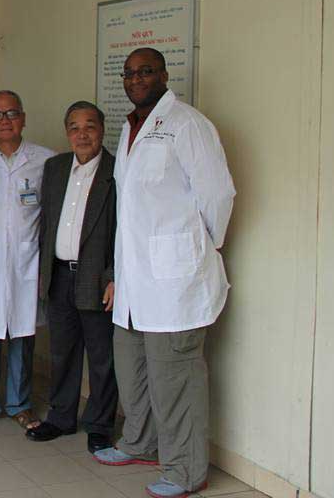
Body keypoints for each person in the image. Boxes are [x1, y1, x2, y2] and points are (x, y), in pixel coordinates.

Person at [94, 48, 235, 498]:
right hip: (135, 280)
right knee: (133, 370)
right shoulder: (131, 127)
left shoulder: (189, 124)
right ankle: (140, 443)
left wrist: (196, 248)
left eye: (146, 71)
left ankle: (186, 471)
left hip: (175, 283)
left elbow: (218, 196)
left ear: (164, 74)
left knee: (176, 381)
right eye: (129, 73)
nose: (136, 79)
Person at [27, 101, 119, 454]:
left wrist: (113, 276)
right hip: (59, 275)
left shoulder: (117, 171)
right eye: (75, 128)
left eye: (90, 127)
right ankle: (62, 417)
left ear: (102, 130)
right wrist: (43, 273)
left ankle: (99, 425)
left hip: (97, 278)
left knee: (101, 358)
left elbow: (125, 229)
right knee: (62, 353)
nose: (82, 135)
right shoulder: (56, 167)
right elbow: (45, 223)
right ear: (67, 132)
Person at [0, 90, 54, 433]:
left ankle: (20, 403)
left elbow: (52, 215)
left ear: (23, 118)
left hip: (26, 261)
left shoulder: (44, 160)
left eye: (11, 113)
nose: (5, 121)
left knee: (22, 332)